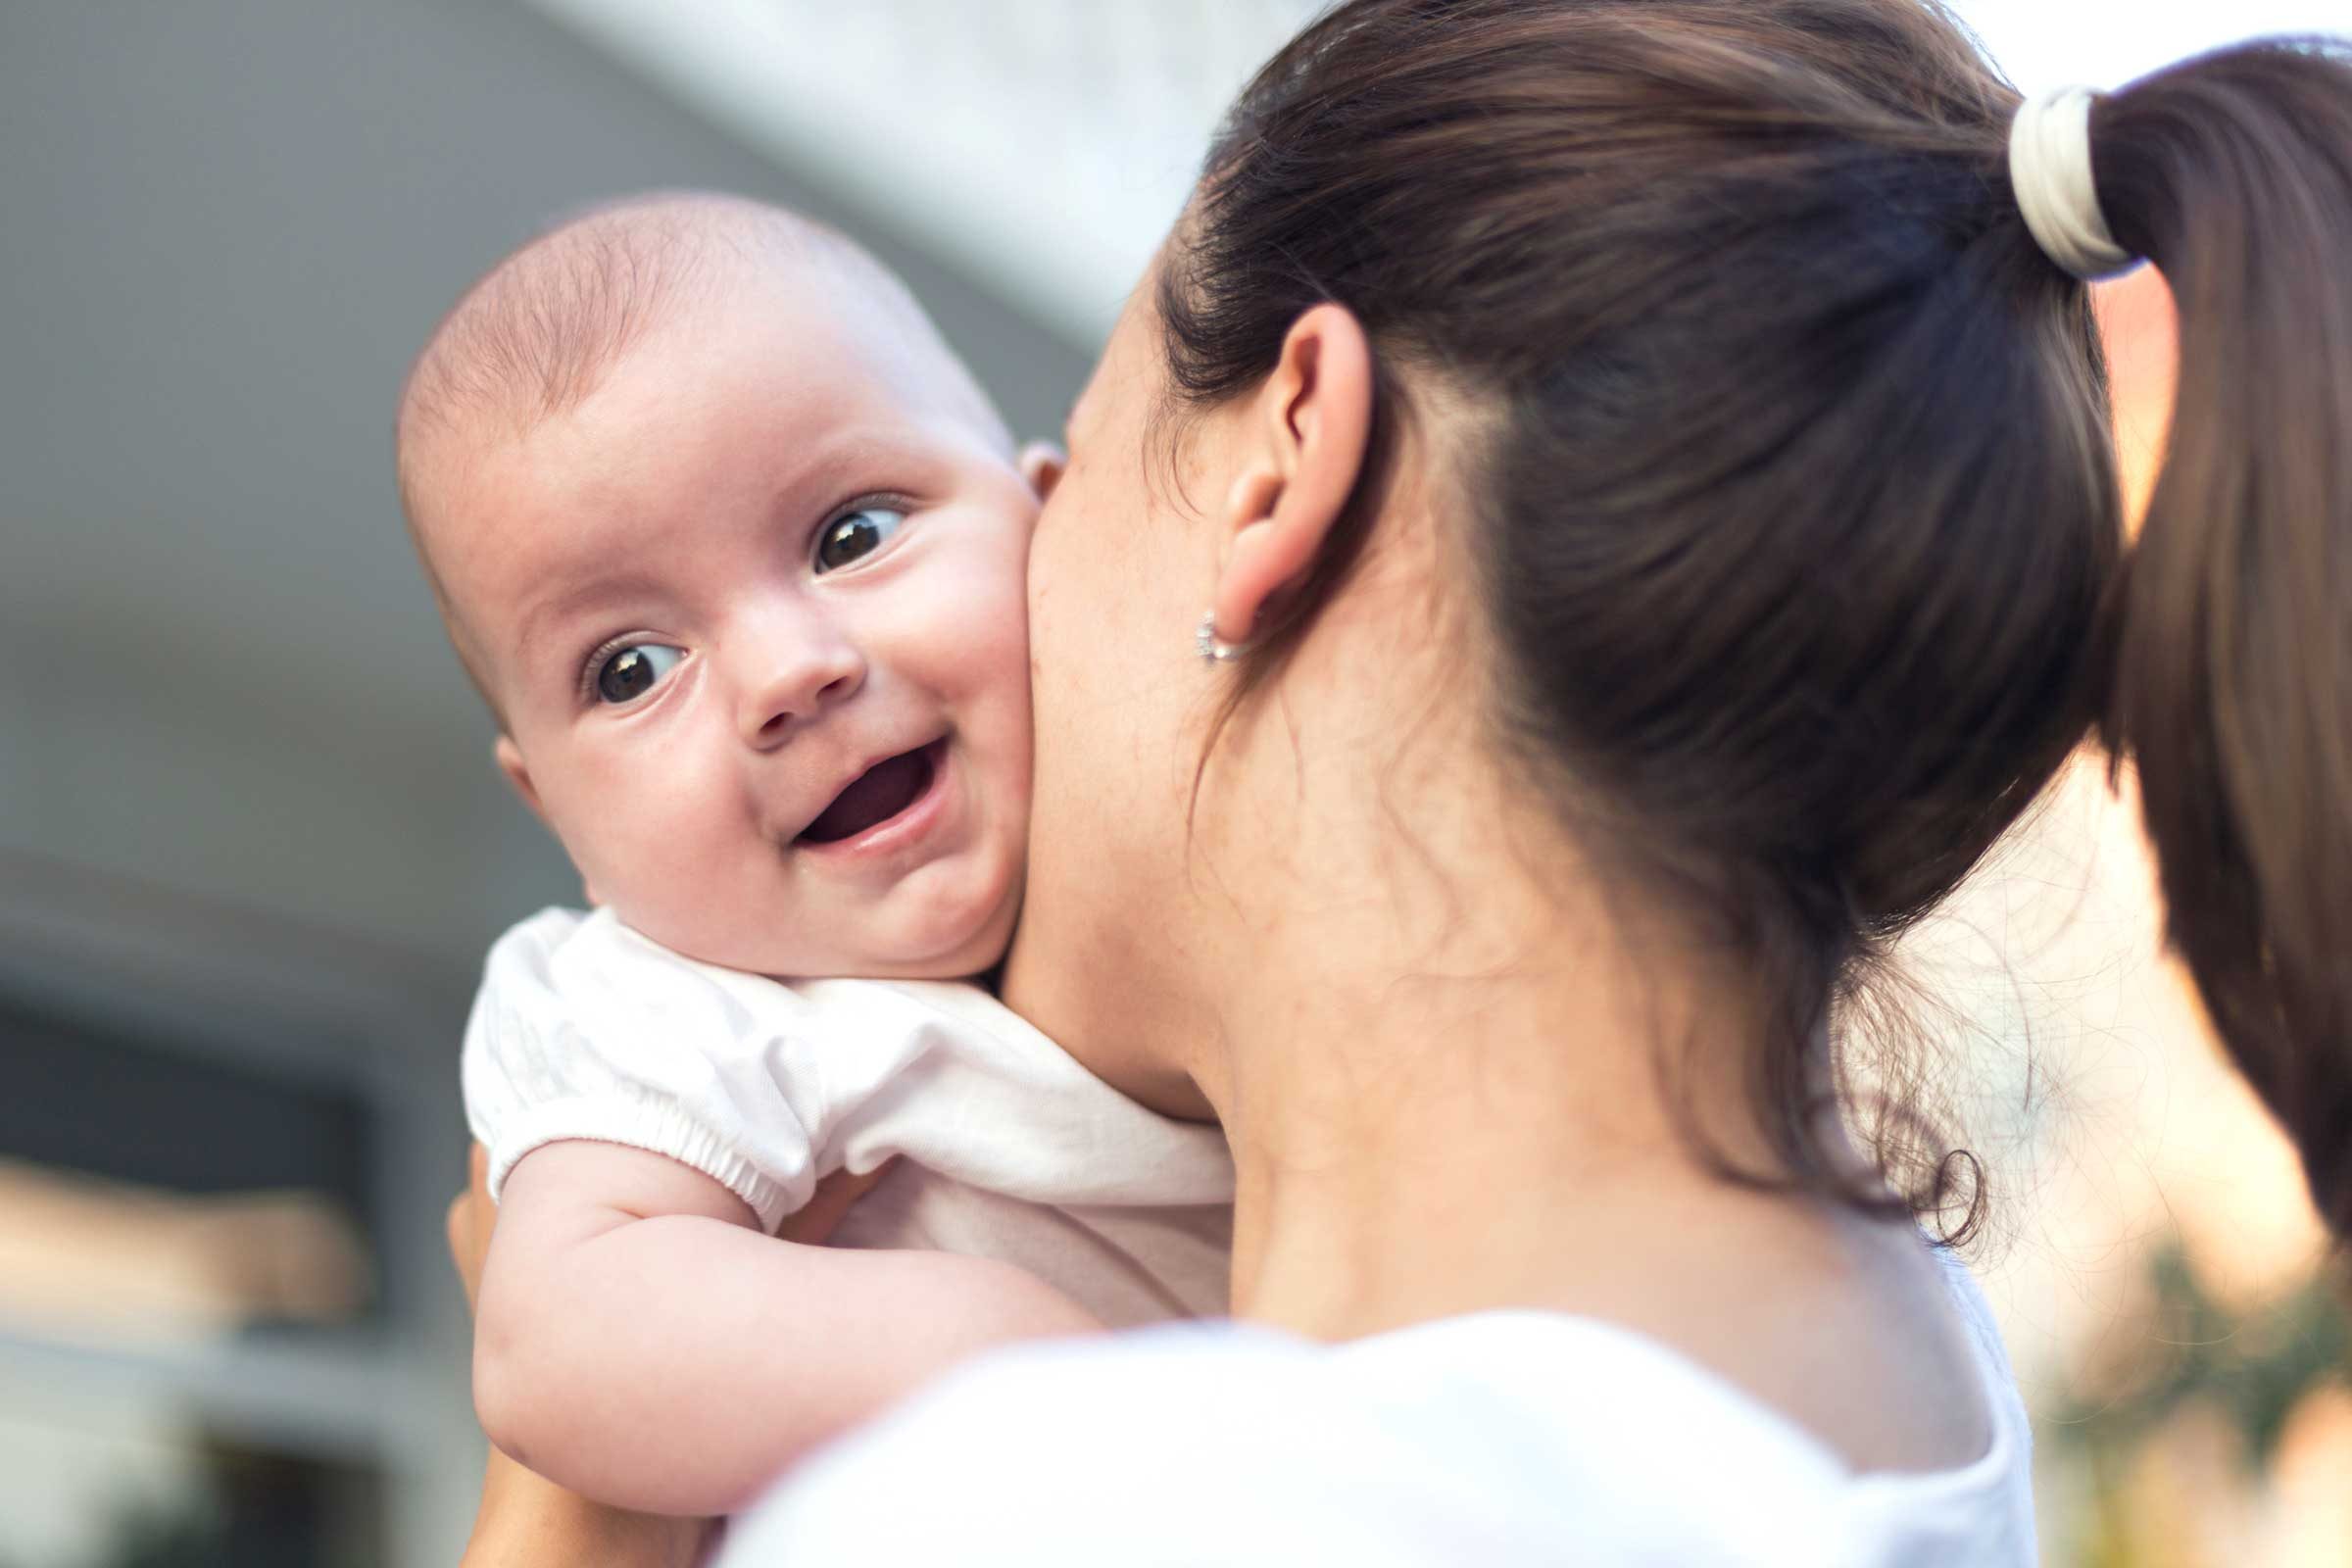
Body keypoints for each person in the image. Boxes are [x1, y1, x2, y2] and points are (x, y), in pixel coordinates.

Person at [452, 1, 2352, 1562]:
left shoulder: (1066, 1500)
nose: (804, 673)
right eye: (632, 666)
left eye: (1078, 460)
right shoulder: (1914, 1401)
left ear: (1279, 463)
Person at [397, 194, 1233, 1515]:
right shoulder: (671, 1004)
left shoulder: (1206, 828)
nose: (786, 675)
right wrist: (1012, 1356)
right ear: (558, 817)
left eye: (853, 535)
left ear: (1051, 527)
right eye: (631, 670)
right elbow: (555, 1340)